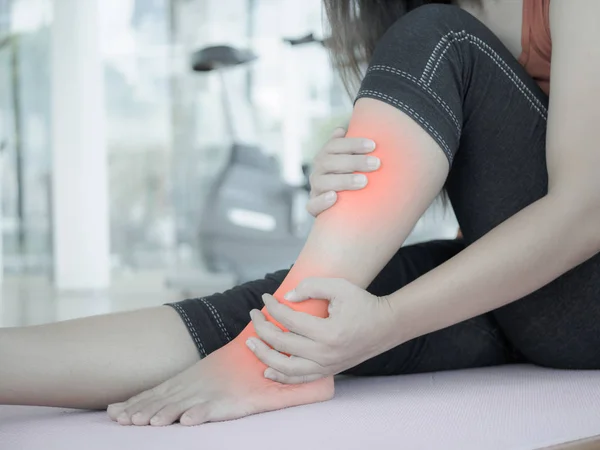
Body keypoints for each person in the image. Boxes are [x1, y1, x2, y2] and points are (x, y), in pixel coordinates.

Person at [2, 0, 599, 427]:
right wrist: (361, 167)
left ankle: (270, 361)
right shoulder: (410, 16)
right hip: (530, 301)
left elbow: (584, 210)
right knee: (279, 316)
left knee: (441, 35)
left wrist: (388, 320)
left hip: (584, 289)